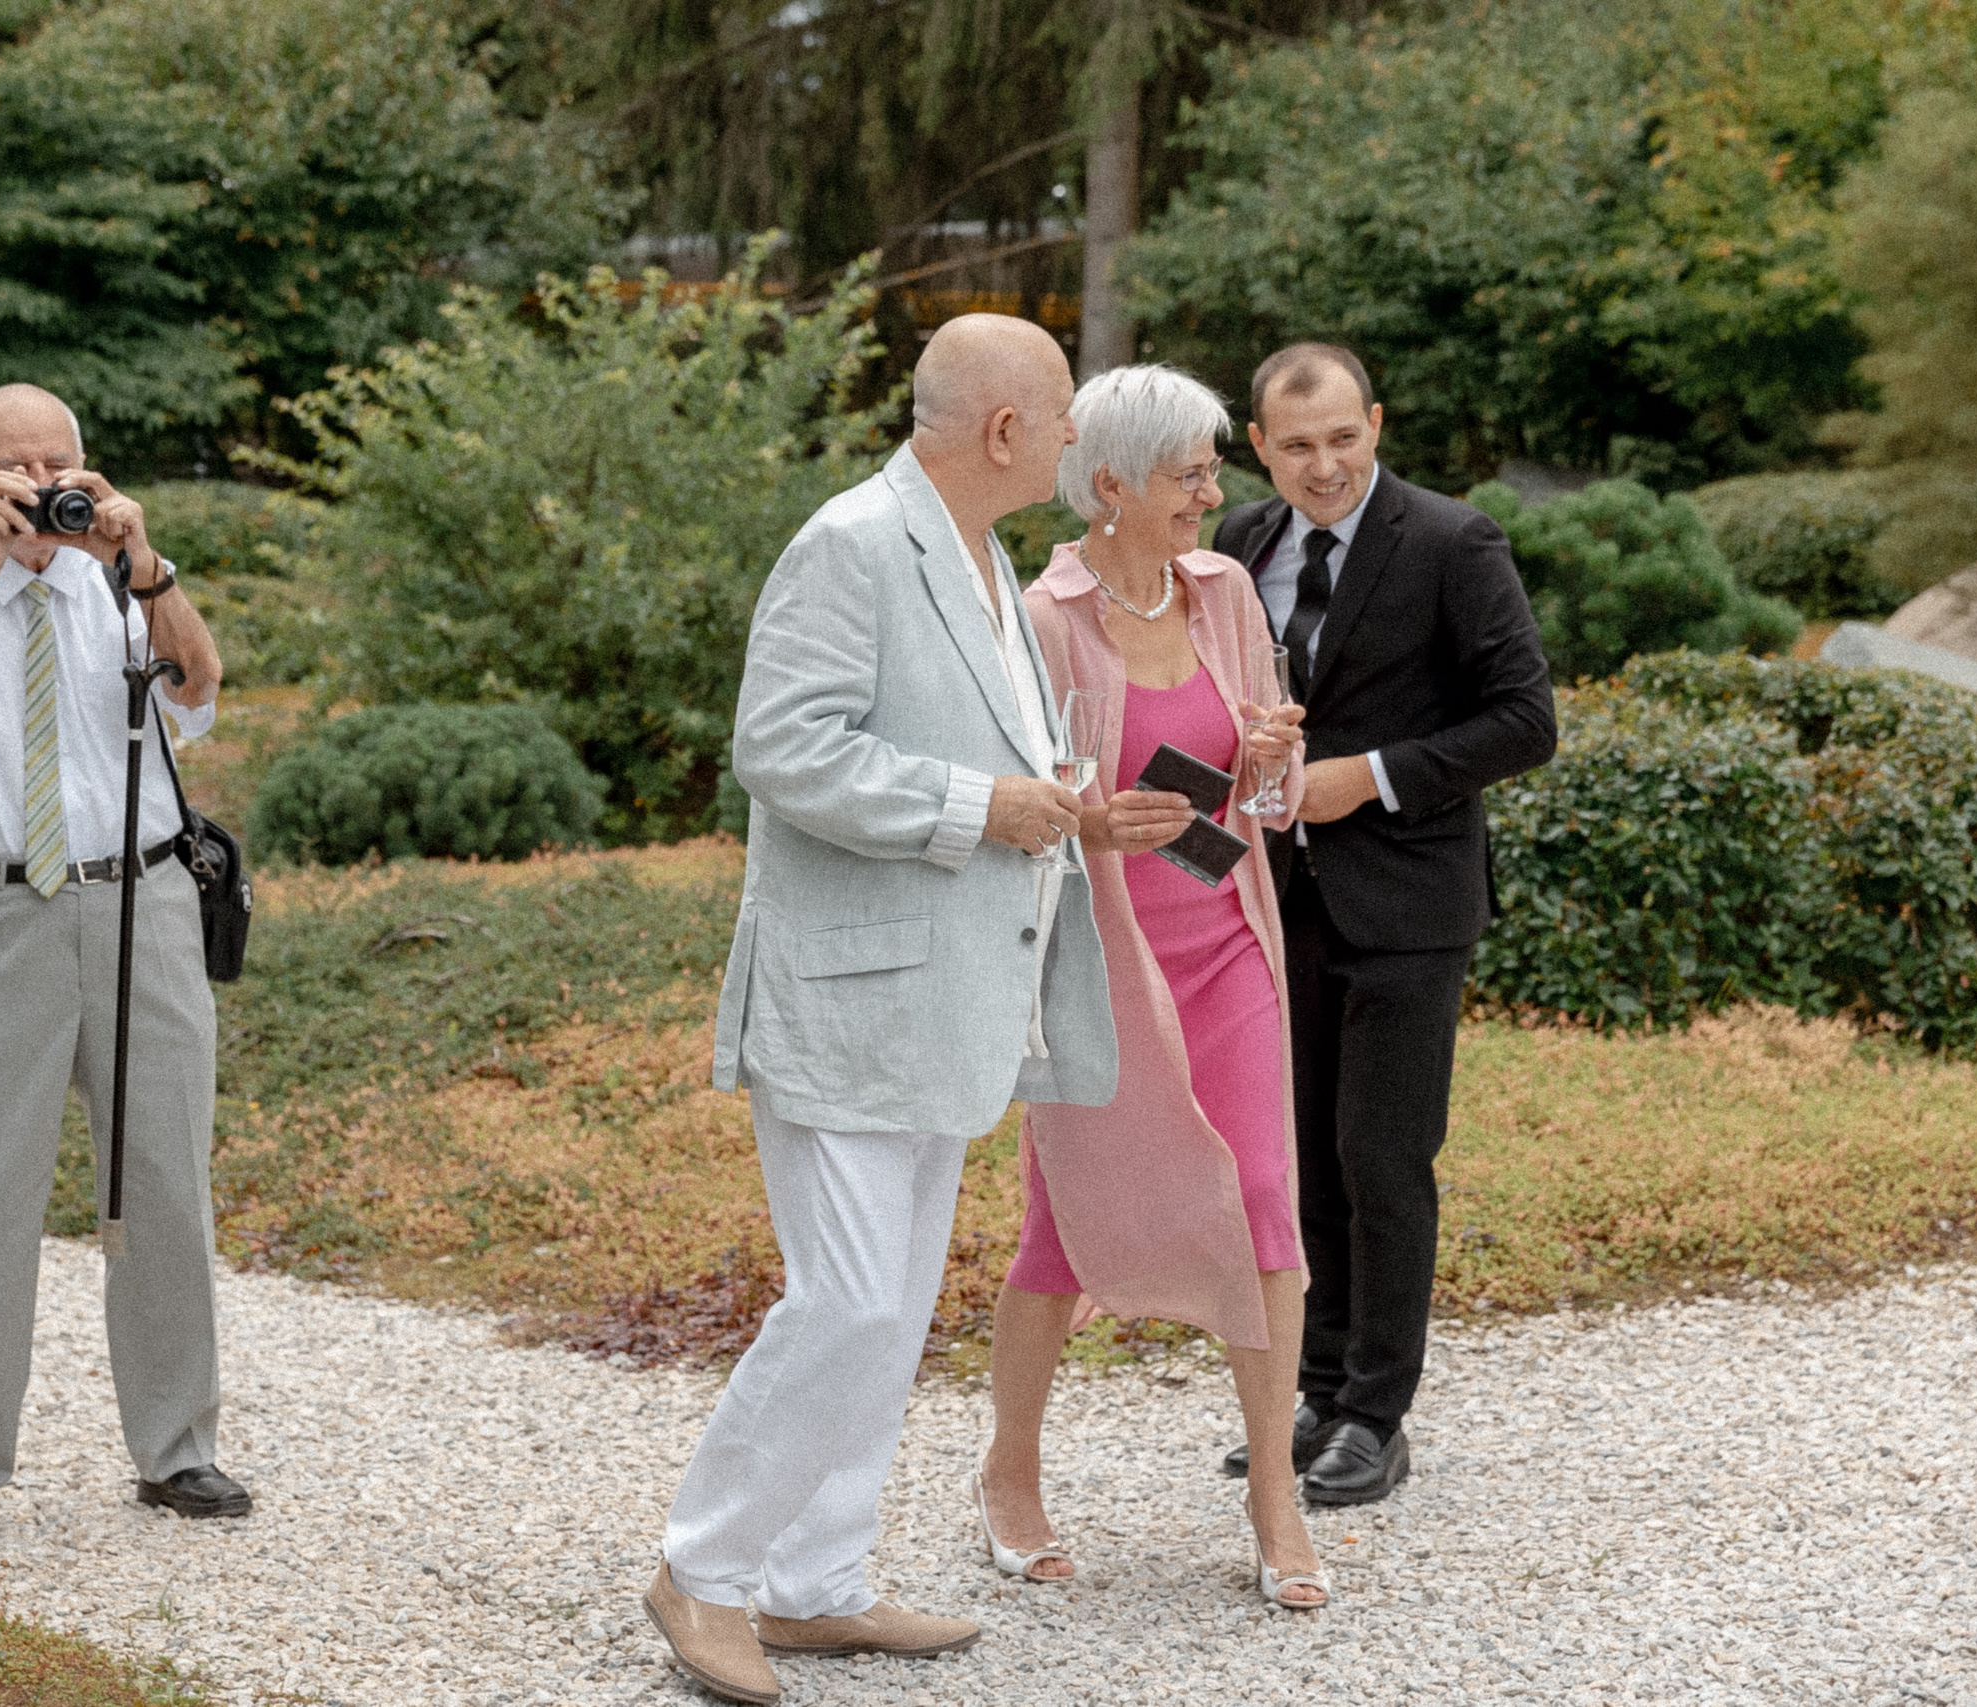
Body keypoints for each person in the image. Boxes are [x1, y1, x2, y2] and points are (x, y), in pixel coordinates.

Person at [640, 315, 1119, 1705]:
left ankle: (816, 1585)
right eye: (1064, 414)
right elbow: (782, 748)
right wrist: (980, 805)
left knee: (893, 1309)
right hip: (847, 1001)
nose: (1075, 436)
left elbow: (979, 748)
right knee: (848, 1300)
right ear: (1006, 430)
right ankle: (702, 1569)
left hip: (946, 997)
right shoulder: (851, 542)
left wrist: (1057, 801)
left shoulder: (983, 554)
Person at [0, 383, 247, 1546]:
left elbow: (199, 690)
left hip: (143, 901)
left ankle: (178, 1449)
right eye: (15, 467)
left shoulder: (121, 582)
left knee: (165, 1182)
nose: (41, 486)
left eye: (57, 464)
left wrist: (148, 566)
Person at [978, 363, 1325, 1608]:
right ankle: (1008, 1473)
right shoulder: (1039, 618)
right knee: (1063, 1227)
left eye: (1210, 470)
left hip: (1225, 941)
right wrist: (1086, 821)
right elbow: (1011, 803)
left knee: (1265, 1196)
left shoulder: (1223, 591)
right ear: (1111, 484)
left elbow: (1263, 801)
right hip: (1100, 965)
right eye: (1189, 473)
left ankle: (1274, 1500)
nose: (1211, 494)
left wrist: (1271, 757)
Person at [1209, 344, 1554, 1505]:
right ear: (1260, 447)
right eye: (1298, 445)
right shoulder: (1239, 543)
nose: (1325, 466)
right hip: (1277, 899)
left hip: (1408, 902)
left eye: (1344, 439)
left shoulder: (1454, 543)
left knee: (1382, 1160)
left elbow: (1525, 721)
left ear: (1376, 425)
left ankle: (1376, 1415)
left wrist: (1365, 778)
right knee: (1303, 1155)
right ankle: (1315, 1391)